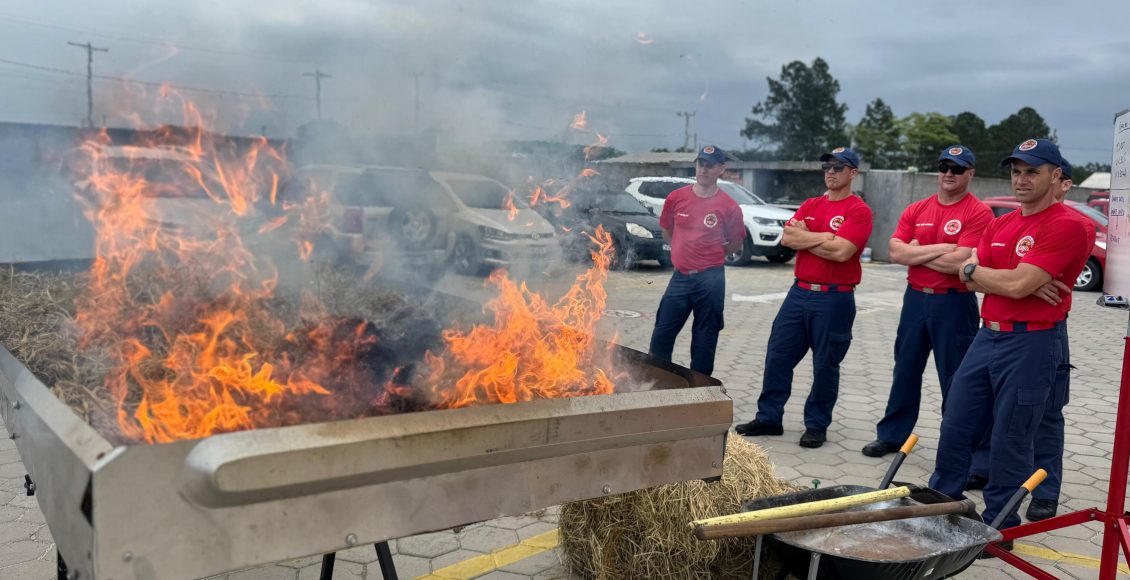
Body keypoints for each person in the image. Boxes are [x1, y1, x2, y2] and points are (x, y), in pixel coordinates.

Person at [928, 138, 1091, 532]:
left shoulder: (1069, 224)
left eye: (1032, 172)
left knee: (1011, 436)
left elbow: (1009, 282)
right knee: (957, 420)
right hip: (988, 336)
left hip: (1032, 342)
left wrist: (992, 276)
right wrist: (997, 277)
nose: (1021, 179)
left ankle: (999, 525)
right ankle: (938, 508)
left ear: (1056, 177)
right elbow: (974, 275)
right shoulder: (1001, 223)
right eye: (1016, 171)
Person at [735, 147, 873, 448]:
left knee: (825, 364)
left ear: (853, 172)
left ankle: (816, 425)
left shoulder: (858, 210)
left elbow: (842, 252)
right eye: (827, 166)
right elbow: (787, 238)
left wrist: (808, 238)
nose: (831, 171)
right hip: (799, 293)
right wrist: (825, 237)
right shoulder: (811, 204)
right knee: (778, 356)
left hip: (834, 299)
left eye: (839, 166)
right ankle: (769, 417)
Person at [861, 146, 993, 457]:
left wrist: (918, 253)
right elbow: (895, 252)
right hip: (916, 300)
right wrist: (943, 248)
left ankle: (959, 444)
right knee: (905, 369)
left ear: (970, 174)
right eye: (944, 166)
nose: (949, 173)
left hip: (955, 303)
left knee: (957, 377)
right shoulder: (917, 208)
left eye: (957, 169)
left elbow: (961, 263)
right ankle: (892, 435)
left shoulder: (978, 212)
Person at [647, 145, 745, 376]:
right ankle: (657, 383)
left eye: (710, 165)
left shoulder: (729, 206)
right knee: (662, 333)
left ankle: (699, 393)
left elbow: (736, 243)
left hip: (711, 281)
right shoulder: (676, 198)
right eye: (701, 164)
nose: (704, 169)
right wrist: (680, 251)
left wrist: (712, 255)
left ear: (721, 169)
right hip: (680, 278)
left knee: (704, 340)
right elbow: (667, 230)